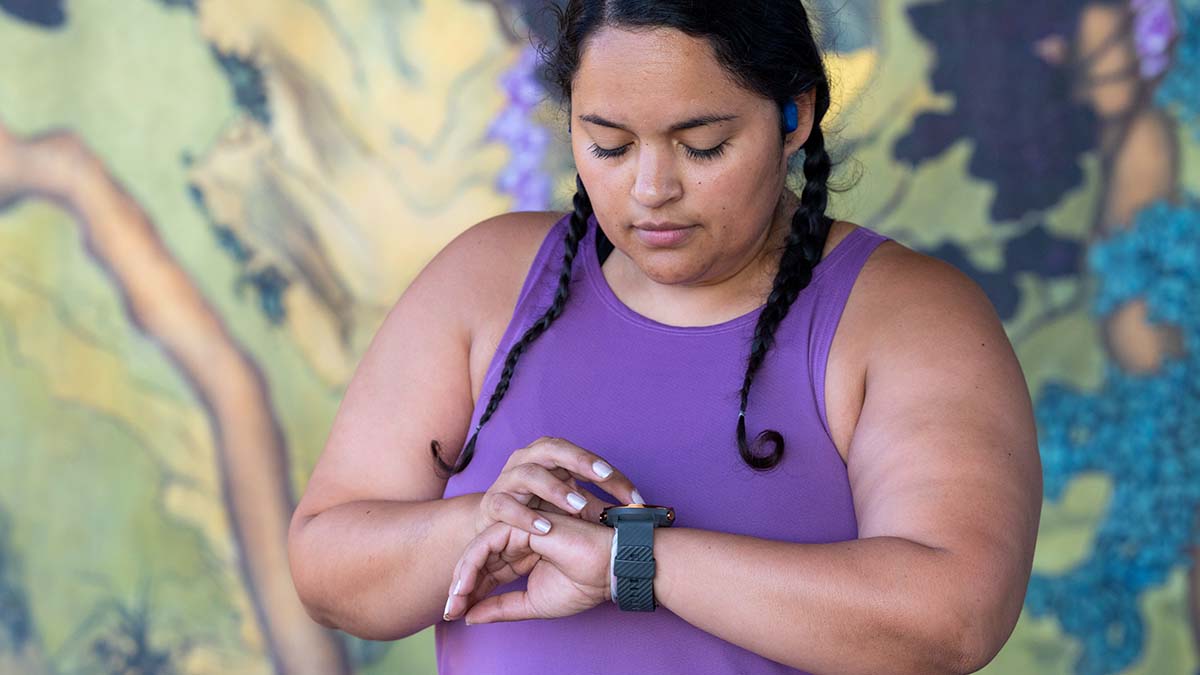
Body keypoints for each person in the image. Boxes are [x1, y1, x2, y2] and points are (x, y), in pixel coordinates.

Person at [286, 2, 1043, 673]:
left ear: (794, 115)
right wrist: (481, 522)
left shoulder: (905, 315)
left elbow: (954, 620)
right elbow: (326, 571)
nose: (650, 189)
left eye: (702, 144)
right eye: (609, 145)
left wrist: (629, 560)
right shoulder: (484, 280)